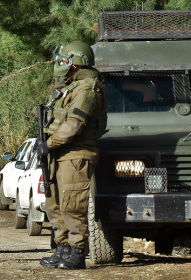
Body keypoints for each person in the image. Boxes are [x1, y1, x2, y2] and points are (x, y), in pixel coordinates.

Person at [38, 42, 108, 269]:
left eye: (62, 60)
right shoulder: (70, 87)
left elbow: (74, 125)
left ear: (75, 62)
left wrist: (48, 144)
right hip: (60, 152)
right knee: (54, 202)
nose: (59, 65)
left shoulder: (87, 89)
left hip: (76, 153)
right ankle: (63, 248)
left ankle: (77, 252)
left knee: (72, 204)